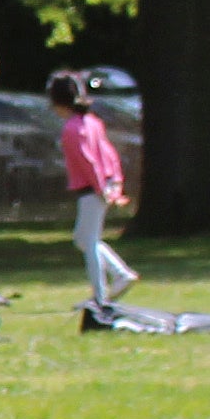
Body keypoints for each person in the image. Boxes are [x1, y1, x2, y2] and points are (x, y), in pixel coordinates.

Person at [50, 70, 135, 305]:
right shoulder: (93, 123)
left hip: (92, 188)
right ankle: (120, 275)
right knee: (84, 238)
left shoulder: (72, 129)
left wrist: (101, 189)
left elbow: (89, 161)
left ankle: (101, 295)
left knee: (88, 242)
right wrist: (115, 182)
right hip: (102, 184)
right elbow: (108, 154)